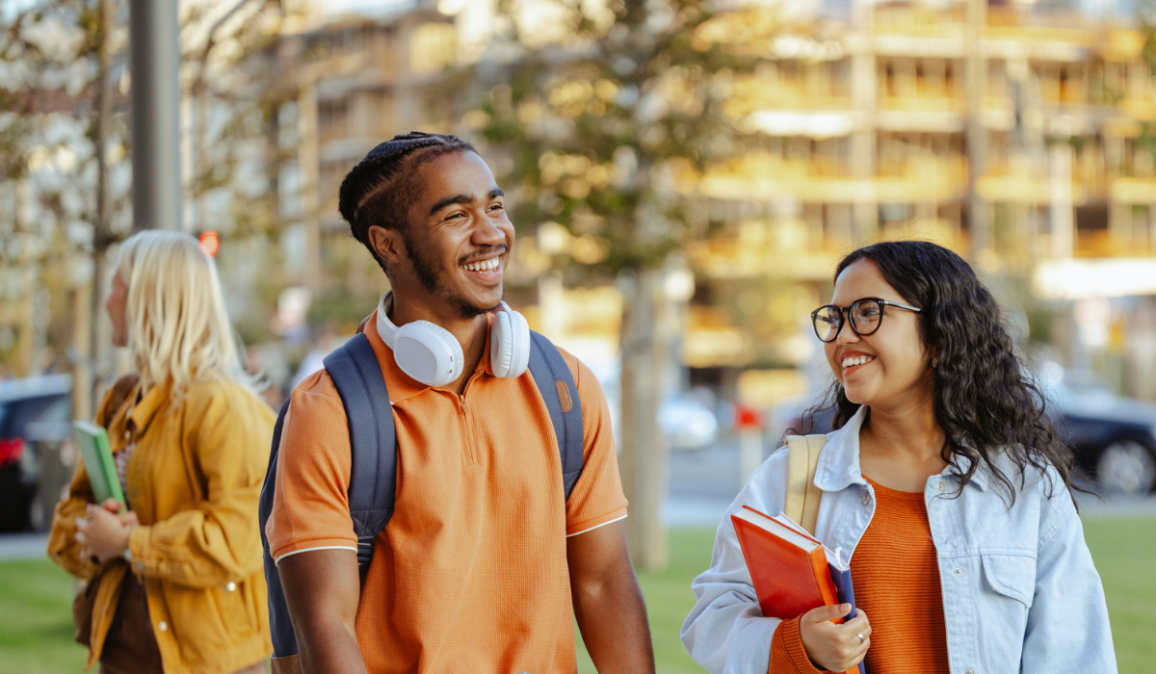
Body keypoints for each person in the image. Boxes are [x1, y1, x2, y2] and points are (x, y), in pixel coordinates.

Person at [266, 132, 654, 674]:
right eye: (456, 216)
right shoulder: (330, 410)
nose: (492, 232)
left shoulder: (565, 386)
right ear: (389, 244)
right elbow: (324, 626)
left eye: (495, 206)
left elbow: (603, 581)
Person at [681, 241, 1116, 674]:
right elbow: (711, 618)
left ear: (941, 332)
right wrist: (796, 644)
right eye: (834, 318)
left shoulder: (1027, 487)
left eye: (868, 313)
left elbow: (1076, 656)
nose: (843, 336)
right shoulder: (790, 478)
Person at [48, 230, 275, 674]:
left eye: (117, 285)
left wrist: (129, 542)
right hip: (125, 653)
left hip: (209, 662)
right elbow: (66, 521)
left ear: (148, 298)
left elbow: (238, 540)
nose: (108, 300)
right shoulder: (122, 399)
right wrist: (96, 535)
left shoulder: (221, 405)